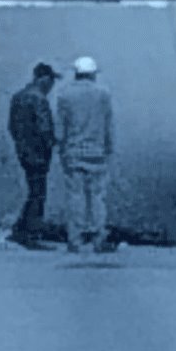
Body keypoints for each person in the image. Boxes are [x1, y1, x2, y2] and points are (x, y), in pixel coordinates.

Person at [56, 56, 115, 253]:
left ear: (76, 73)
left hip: (73, 152)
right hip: (97, 153)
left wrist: (61, 149)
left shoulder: (65, 95)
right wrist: (109, 149)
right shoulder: (103, 94)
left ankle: (75, 239)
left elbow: (60, 129)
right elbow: (109, 126)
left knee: (75, 197)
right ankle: (99, 237)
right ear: (93, 74)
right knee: (98, 197)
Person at [7, 63, 60, 248]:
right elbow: (45, 128)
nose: (52, 85)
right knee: (38, 193)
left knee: (33, 190)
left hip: (23, 150)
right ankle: (30, 234)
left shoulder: (18, 97)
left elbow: (12, 127)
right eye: (51, 80)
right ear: (43, 79)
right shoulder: (39, 99)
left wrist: (21, 142)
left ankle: (21, 229)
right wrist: (52, 143)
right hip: (38, 152)